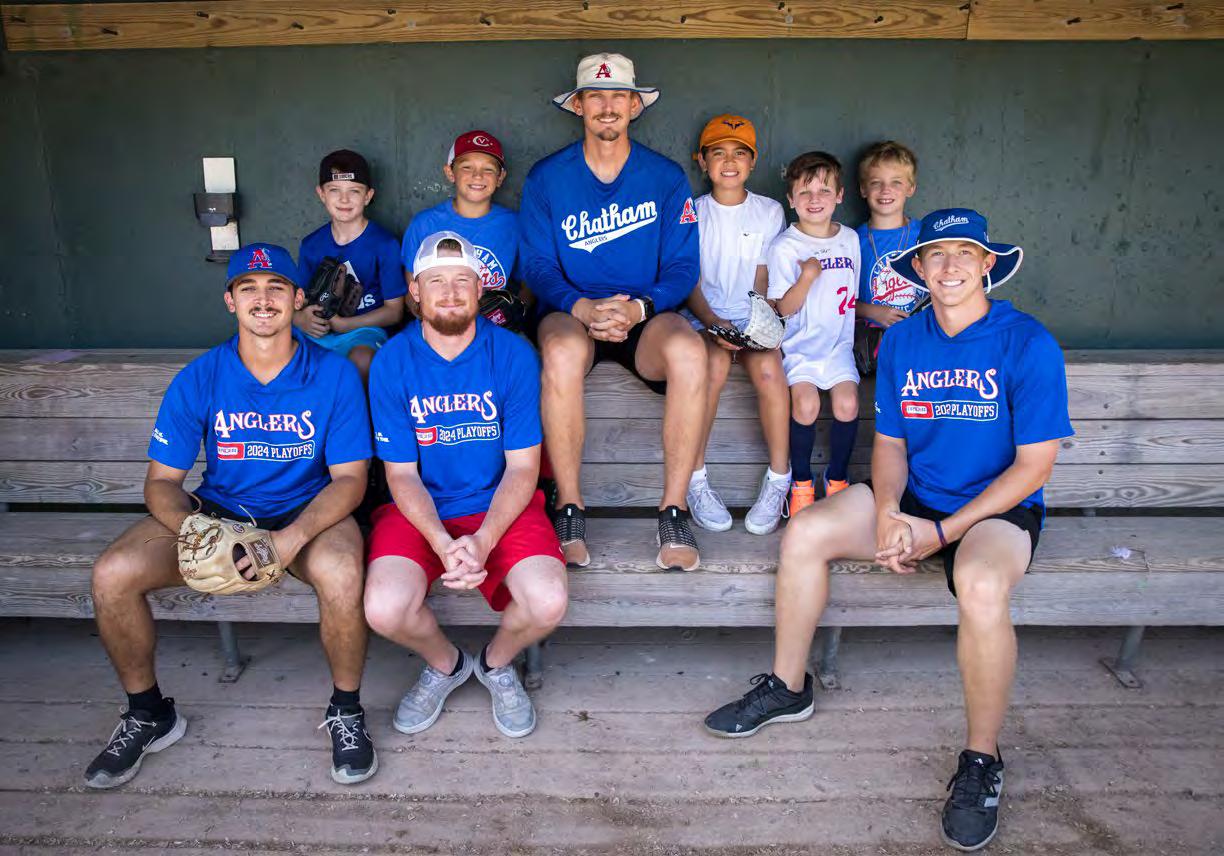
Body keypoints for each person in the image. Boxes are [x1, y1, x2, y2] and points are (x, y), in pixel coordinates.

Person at [705, 209, 1073, 852]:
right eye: (937, 255)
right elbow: (891, 447)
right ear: (919, 268)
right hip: (917, 500)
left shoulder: (1027, 341)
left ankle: (981, 759)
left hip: (995, 512)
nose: (950, 266)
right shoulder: (903, 341)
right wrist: (887, 514)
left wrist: (943, 532)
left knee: (981, 584)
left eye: (965, 253)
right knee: (805, 533)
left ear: (988, 263)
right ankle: (788, 687)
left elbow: (1034, 466)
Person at [86, 243, 377, 789]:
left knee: (341, 571)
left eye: (275, 288)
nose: (263, 299)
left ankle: (346, 710)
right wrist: (200, 533)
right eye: (249, 288)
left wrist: (289, 541)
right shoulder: (200, 375)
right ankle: (149, 714)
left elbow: (349, 480)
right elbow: (162, 483)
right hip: (221, 511)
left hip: (305, 509)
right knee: (112, 573)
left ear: (297, 298)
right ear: (230, 300)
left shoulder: (334, 374)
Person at [364, 231, 568, 740]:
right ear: (415, 290)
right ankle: (447, 664)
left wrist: (483, 540)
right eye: (436, 281)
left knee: (547, 601)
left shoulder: (513, 354)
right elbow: (400, 474)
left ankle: (495, 665)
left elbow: (523, 468)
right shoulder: (392, 360)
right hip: (419, 508)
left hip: (501, 503)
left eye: (462, 280)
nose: (451, 292)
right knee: (384, 609)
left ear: (480, 289)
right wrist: (442, 542)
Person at [519, 52, 707, 572]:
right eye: (596, 96)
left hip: (644, 316)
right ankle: (569, 508)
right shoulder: (547, 177)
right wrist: (580, 305)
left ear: (634, 106)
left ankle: (674, 512)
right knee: (559, 352)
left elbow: (683, 266)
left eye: (618, 96)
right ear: (578, 106)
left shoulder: (665, 177)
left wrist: (639, 307)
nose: (607, 106)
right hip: (573, 312)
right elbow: (537, 265)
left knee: (690, 352)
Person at [683, 114, 789, 535]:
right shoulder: (693, 211)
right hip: (704, 316)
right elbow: (688, 279)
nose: (729, 162)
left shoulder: (768, 211)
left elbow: (763, 276)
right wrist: (713, 323)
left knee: (769, 371)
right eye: (718, 153)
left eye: (740, 153)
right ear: (702, 160)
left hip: (751, 318)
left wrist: (755, 325)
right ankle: (695, 478)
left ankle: (779, 479)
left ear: (753, 160)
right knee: (711, 369)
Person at [767, 152, 862, 516]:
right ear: (791, 200)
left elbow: (850, 296)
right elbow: (782, 308)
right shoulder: (785, 246)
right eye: (804, 192)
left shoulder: (850, 239)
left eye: (824, 190)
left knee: (848, 404)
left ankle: (836, 479)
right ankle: (802, 483)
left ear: (840, 195)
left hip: (838, 347)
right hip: (800, 348)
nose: (814, 199)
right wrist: (806, 277)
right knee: (806, 405)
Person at [296, 149, 406, 379]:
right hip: (321, 333)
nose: (344, 199)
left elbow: (394, 311)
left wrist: (345, 325)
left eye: (354, 191)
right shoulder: (311, 245)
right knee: (293, 358)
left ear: (368, 196)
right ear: (321, 194)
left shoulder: (384, 244)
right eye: (334, 190)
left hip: (365, 332)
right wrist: (300, 318)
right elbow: (299, 302)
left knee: (362, 360)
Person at [400, 130, 520, 296]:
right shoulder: (424, 224)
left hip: (494, 314)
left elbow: (530, 283)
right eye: (467, 167)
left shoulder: (515, 225)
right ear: (450, 173)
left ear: (500, 177)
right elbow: (413, 292)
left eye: (488, 169)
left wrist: (518, 308)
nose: (477, 176)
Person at [855, 141, 923, 328]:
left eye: (896, 182)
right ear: (863, 189)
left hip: (920, 335)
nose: (886, 190)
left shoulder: (926, 235)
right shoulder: (852, 241)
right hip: (872, 340)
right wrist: (872, 311)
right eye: (876, 183)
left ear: (911, 188)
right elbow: (838, 299)